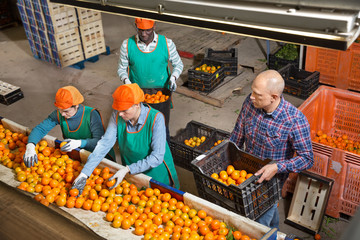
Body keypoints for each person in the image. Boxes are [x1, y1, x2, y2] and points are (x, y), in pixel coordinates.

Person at [229, 70, 314, 229]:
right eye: (252, 91)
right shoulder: (250, 102)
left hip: (271, 184)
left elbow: (307, 158)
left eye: (258, 94)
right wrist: (226, 154)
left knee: (256, 227)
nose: (252, 96)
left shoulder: (294, 120)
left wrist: (277, 167)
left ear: (274, 97)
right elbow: (238, 134)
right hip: (245, 174)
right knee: (267, 221)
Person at [71, 83, 180, 194]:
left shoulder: (156, 118)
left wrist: (128, 169)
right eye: (118, 110)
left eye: (124, 110)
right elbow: (105, 144)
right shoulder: (118, 115)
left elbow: (157, 157)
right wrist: (84, 173)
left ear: (137, 105)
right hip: (131, 170)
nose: (120, 114)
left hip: (156, 172)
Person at [117, 18, 184, 142]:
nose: (143, 34)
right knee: (141, 127)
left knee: (162, 127)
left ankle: (164, 154)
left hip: (161, 95)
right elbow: (121, 69)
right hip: (138, 95)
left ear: (154, 26)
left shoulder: (167, 43)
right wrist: (127, 83)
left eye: (147, 30)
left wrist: (173, 78)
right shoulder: (127, 45)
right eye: (140, 30)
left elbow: (178, 64)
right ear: (135, 26)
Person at [23, 86, 115, 167]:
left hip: (100, 157)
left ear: (76, 106)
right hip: (78, 157)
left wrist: (79, 143)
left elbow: (100, 143)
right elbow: (40, 129)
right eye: (60, 110)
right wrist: (30, 146)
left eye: (66, 111)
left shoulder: (91, 115)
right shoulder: (59, 114)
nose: (62, 114)